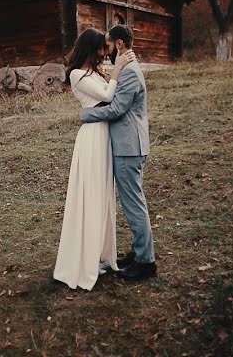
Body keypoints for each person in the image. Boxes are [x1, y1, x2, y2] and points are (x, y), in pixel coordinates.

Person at [53, 28, 137, 290]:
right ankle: (83, 260)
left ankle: (100, 254)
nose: (104, 53)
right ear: (90, 49)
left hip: (105, 136)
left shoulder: (95, 72)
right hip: (92, 138)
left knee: (102, 195)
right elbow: (108, 96)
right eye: (100, 48)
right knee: (90, 195)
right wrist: (119, 67)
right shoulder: (77, 75)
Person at [81, 24, 156, 281]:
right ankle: (138, 253)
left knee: (134, 204)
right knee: (132, 202)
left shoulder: (130, 73)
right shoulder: (127, 69)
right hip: (127, 145)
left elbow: (117, 109)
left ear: (120, 44)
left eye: (109, 45)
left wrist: (87, 114)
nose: (106, 51)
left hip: (128, 146)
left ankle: (146, 262)